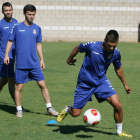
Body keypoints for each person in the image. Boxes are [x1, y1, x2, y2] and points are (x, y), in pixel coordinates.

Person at [57, 30, 132, 137]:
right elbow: (77, 48)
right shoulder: (92, 46)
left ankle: (119, 131)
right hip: (85, 83)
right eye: (110, 45)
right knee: (75, 113)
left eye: (114, 46)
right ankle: (66, 110)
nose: (111, 48)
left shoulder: (115, 53)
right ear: (105, 40)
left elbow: (118, 68)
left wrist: (125, 84)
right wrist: (69, 60)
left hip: (101, 82)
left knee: (118, 106)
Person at [4, 4, 58, 117]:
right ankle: (19, 110)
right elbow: (10, 41)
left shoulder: (37, 28)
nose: (31, 17)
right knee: (19, 87)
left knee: (42, 84)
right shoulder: (17, 27)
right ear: (24, 14)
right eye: (29, 14)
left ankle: (49, 108)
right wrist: (6, 55)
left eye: (33, 14)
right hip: (21, 63)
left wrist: (42, 59)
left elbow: (38, 44)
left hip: (34, 63)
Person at [0, 2, 26, 112]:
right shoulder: (0, 24)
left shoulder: (16, 22)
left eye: (9, 10)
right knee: (11, 81)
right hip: (4, 57)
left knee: (5, 80)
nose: (8, 12)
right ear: (2, 12)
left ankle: (18, 106)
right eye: (6, 10)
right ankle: (18, 107)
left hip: (14, 57)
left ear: (12, 10)